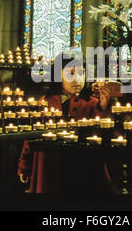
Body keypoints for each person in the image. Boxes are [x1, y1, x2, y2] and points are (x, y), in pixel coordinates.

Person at [17, 50, 112, 194]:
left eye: (81, 73)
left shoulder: (93, 103)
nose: (77, 79)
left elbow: (103, 132)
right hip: (50, 165)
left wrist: (103, 108)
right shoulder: (44, 103)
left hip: (82, 167)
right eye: (71, 73)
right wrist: (25, 165)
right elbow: (30, 138)